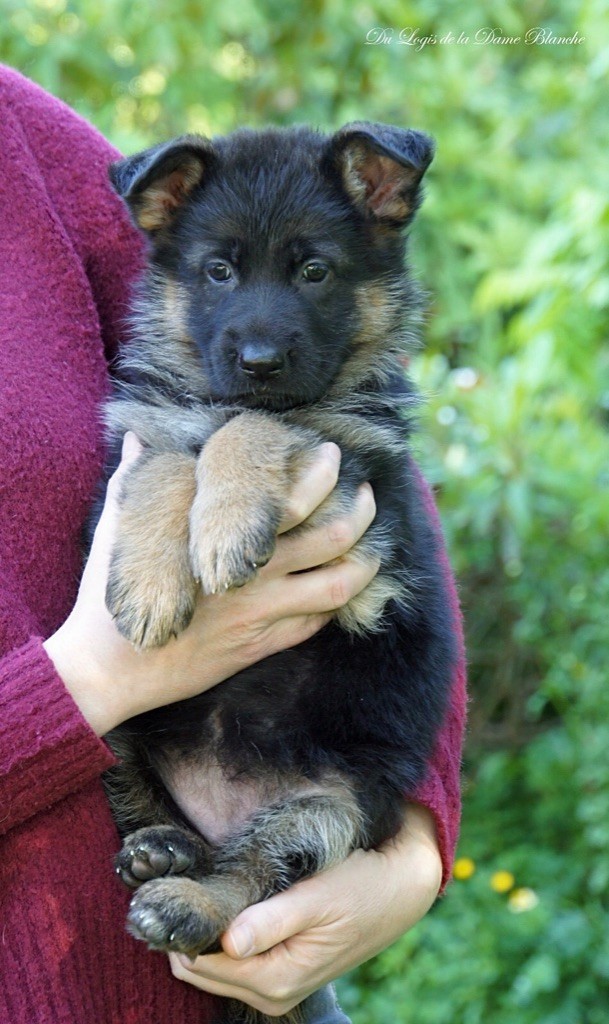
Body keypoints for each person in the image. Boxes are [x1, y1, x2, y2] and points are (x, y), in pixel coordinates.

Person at [0, 64, 467, 1023]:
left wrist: (417, 851)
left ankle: (224, 890)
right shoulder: (164, 415)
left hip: (319, 780)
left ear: (382, 208)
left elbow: (380, 530)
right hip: (133, 811)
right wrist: (92, 678)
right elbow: (146, 474)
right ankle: (196, 879)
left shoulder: (27, 142)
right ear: (174, 246)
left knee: (333, 805)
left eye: (311, 272)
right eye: (219, 270)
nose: (259, 336)